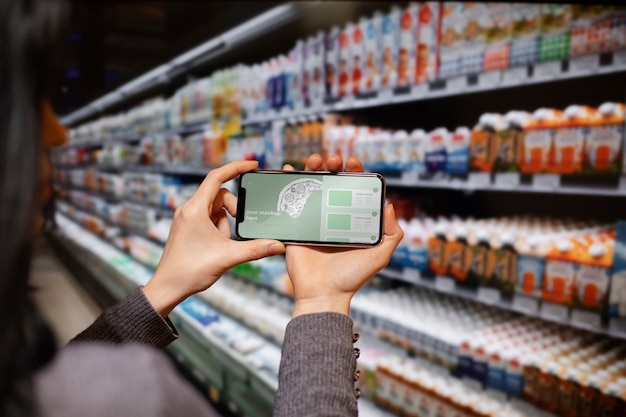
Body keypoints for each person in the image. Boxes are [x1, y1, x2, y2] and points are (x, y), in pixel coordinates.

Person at [0, 1, 404, 417]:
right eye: (34, 94)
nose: (59, 132)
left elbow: (63, 373)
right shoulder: (133, 396)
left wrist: (162, 289)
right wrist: (322, 303)